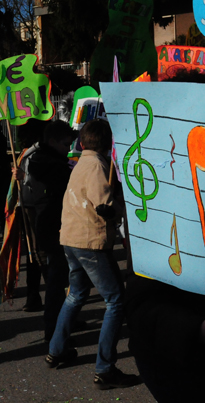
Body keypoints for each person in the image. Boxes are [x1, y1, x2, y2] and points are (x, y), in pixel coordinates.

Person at [45, 119, 138, 389]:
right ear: (109, 143)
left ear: (82, 142)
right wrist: (122, 208)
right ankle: (105, 369)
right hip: (89, 241)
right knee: (115, 301)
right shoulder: (97, 166)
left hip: (71, 239)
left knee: (76, 294)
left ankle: (56, 350)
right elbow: (103, 205)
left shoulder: (81, 163)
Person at [12, 120, 74, 336]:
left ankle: (63, 322)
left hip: (52, 225)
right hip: (52, 226)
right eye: (66, 144)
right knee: (56, 280)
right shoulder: (46, 162)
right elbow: (47, 195)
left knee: (62, 280)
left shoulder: (47, 160)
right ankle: (55, 330)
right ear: (52, 141)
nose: (68, 149)